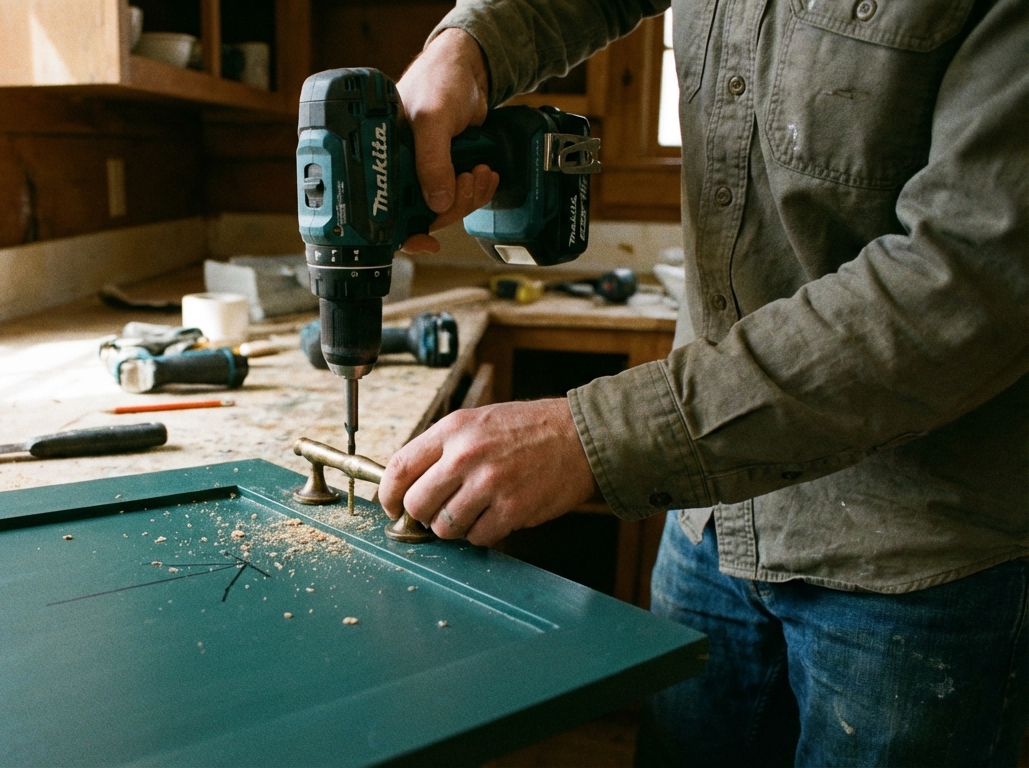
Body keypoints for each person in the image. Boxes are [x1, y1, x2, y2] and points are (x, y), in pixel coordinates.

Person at [375, 1, 1029, 765]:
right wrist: (470, 45)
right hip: (713, 522)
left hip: (916, 559)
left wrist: (591, 437)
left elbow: (970, 282)